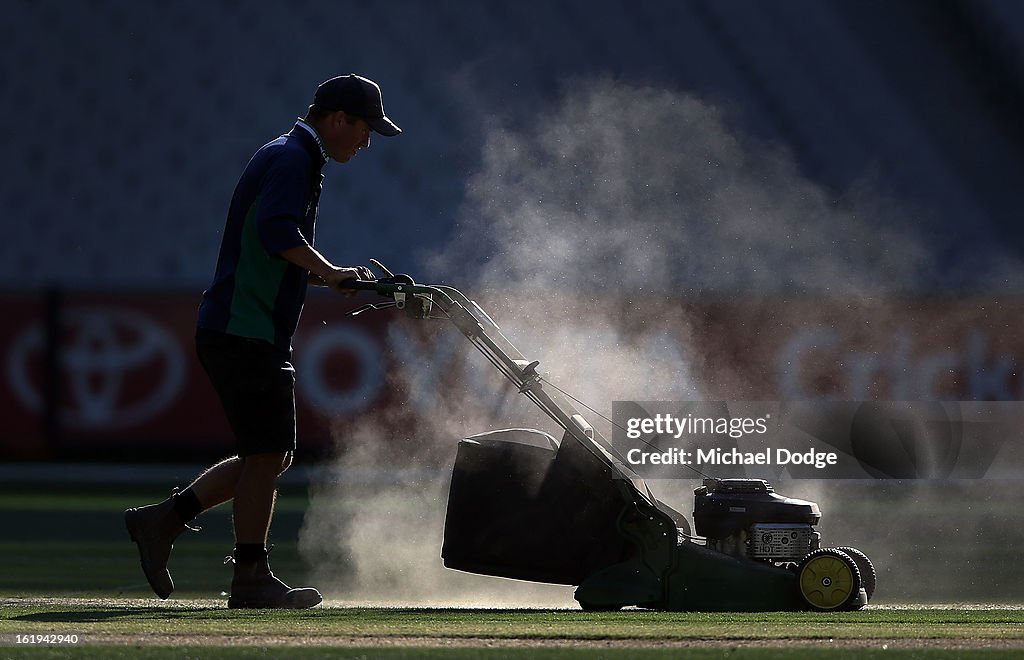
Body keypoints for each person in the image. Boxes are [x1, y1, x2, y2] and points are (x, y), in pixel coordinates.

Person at [125, 74, 401, 609]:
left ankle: (162, 522)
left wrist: (333, 276)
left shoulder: (292, 154)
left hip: (245, 328)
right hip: (242, 328)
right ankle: (249, 577)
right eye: (366, 130)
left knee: (269, 456)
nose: (367, 142)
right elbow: (278, 235)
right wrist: (329, 271)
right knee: (268, 454)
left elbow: (273, 245)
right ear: (339, 119)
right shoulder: (294, 159)